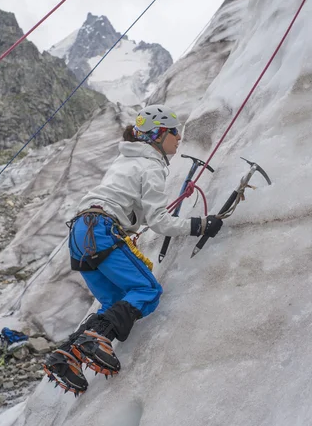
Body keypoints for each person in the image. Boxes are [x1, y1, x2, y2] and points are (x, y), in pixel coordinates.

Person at [44, 105, 223, 394]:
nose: (179, 137)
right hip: (101, 229)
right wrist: (200, 225)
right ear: (159, 134)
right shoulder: (151, 165)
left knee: (115, 301)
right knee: (147, 291)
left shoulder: (127, 160)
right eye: (174, 132)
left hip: (81, 232)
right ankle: (93, 341)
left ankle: (65, 357)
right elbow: (159, 221)